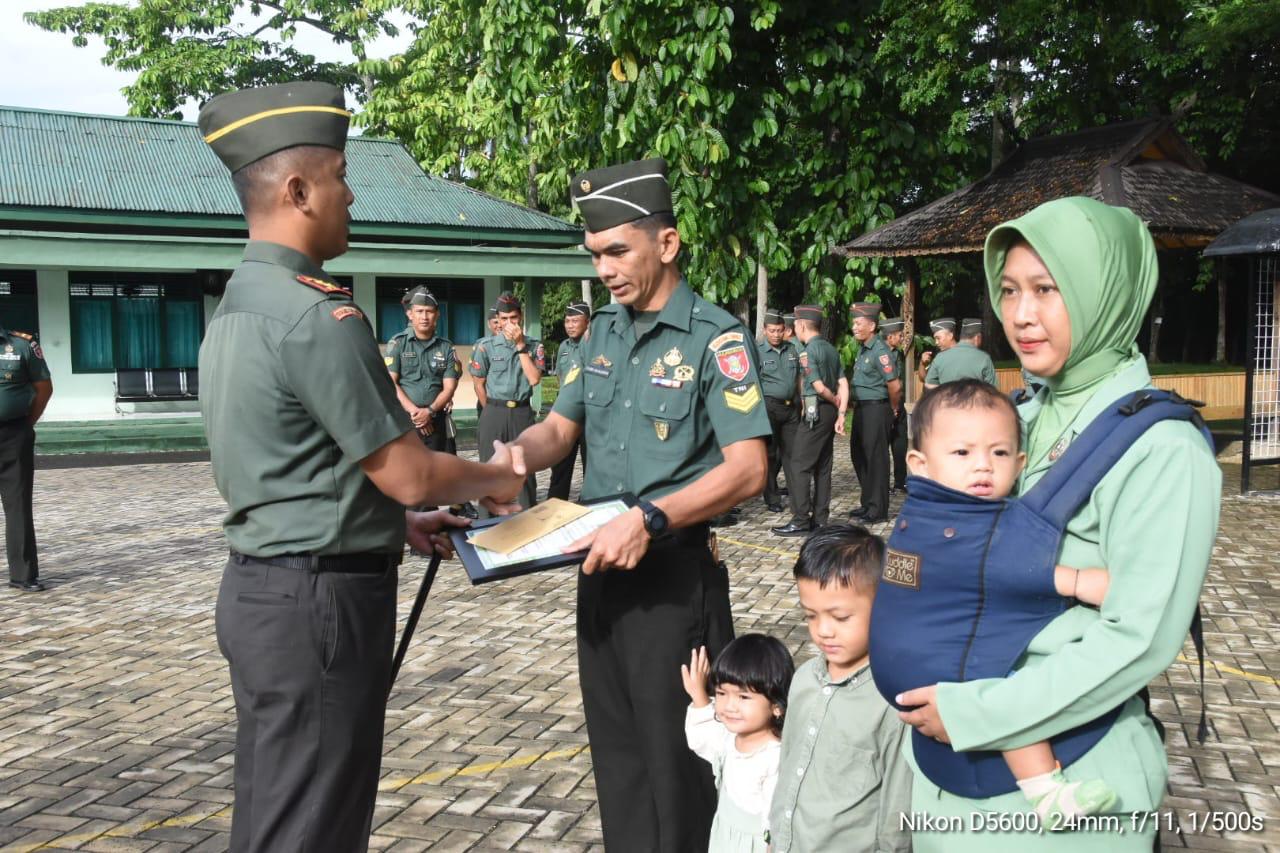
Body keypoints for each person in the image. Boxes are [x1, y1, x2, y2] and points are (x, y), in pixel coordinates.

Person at [197, 81, 528, 853]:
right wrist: (494, 476)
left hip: (263, 590)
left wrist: (398, 523)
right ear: (297, 189)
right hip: (318, 604)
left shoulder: (239, 305)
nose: (352, 194)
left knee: (275, 810)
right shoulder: (317, 313)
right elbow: (409, 470)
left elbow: (295, 464)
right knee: (313, 825)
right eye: (342, 176)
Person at [895, 197, 1221, 851]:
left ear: (1104, 294)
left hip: (1061, 792)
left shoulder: (1160, 447)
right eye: (1010, 289)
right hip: (945, 778)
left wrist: (973, 711)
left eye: (1047, 290)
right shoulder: (1014, 416)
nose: (1020, 315)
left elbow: (1139, 635)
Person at [507, 156, 771, 851]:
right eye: (595, 254)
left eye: (617, 249)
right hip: (600, 578)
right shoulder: (599, 332)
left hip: (673, 585)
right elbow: (560, 428)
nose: (604, 268)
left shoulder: (715, 337)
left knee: (680, 768)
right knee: (619, 765)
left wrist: (651, 517)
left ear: (668, 242)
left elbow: (748, 468)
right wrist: (513, 457)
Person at [903, 380, 1116, 820]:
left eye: (999, 454)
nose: (982, 467)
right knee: (1002, 690)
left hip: (928, 643)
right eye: (962, 454)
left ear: (1020, 463)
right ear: (919, 465)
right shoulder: (943, 515)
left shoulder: (944, 505)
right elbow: (988, 568)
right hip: (937, 654)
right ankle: (1045, 792)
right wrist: (1077, 581)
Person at [768, 524, 912, 852]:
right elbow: (788, 766)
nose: (823, 631)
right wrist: (774, 836)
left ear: (883, 608)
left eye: (841, 617)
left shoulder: (891, 699)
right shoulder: (804, 678)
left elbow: (897, 810)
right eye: (810, 616)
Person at [680, 635, 794, 853]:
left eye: (743, 697)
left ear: (777, 706)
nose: (729, 706)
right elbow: (702, 737)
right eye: (722, 693)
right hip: (724, 840)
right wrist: (699, 694)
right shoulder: (728, 738)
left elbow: (778, 820)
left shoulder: (773, 758)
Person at [470, 292, 544, 510]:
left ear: (520, 317)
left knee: (525, 473)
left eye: (513, 318)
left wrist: (520, 345)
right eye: (504, 319)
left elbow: (533, 379)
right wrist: (490, 411)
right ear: (498, 320)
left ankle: (527, 523)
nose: (508, 323)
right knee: (488, 471)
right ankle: (487, 526)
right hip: (494, 411)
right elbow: (478, 383)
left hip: (522, 413)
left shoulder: (533, 345)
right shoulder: (486, 346)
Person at [773, 305, 839, 537]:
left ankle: (800, 519)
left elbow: (819, 386)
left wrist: (833, 399)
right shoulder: (831, 349)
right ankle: (820, 520)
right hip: (827, 412)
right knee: (823, 466)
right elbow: (840, 380)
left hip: (816, 410)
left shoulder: (807, 352)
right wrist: (837, 405)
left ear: (801, 326)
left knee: (799, 465)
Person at [0, 324, 52, 592]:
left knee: (18, 504)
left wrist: (26, 423)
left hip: (13, 434)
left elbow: (43, 387)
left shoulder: (22, 346)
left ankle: (23, 575)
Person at [839, 303, 901, 524]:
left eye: (858, 323)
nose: (854, 327)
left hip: (877, 408)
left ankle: (878, 509)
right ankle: (868, 502)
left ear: (872, 326)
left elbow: (894, 385)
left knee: (876, 459)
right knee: (859, 455)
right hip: (862, 409)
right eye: (854, 323)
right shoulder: (863, 348)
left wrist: (892, 409)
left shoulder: (880, 351)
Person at [386, 286, 461, 453]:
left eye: (429, 311)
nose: (424, 317)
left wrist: (429, 412)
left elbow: (449, 387)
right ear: (410, 314)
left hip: (437, 418)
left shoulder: (446, 347)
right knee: (408, 472)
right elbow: (391, 383)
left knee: (440, 472)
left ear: (437, 314)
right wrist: (416, 414)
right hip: (406, 420)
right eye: (419, 311)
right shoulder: (398, 343)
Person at [756, 309, 800, 513]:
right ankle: (772, 498)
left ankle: (798, 496)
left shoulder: (792, 350)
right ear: (765, 330)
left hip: (791, 408)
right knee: (770, 455)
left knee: (793, 455)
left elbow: (799, 378)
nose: (776, 334)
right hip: (769, 407)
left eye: (780, 331)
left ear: (785, 331)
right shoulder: (757, 351)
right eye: (772, 330)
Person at [547, 300, 590, 501]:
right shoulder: (563, 347)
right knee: (560, 467)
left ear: (587, 322)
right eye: (567, 321)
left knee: (592, 466)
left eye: (575, 321)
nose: (570, 325)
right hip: (567, 415)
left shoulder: (595, 345)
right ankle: (556, 507)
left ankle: (592, 506)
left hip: (590, 417)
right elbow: (559, 378)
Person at [924, 317, 997, 389]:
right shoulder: (984, 358)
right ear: (977, 338)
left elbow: (929, 385)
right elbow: (992, 392)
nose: (936, 342)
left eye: (938, 338)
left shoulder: (939, 358)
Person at [880, 317, 910, 493]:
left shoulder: (898, 354)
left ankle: (901, 482)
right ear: (890, 336)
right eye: (899, 335)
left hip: (900, 404)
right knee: (882, 448)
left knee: (900, 445)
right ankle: (882, 484)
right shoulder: (880, 354)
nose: (901, 338)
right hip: (885, 405)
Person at [917, 317, 956, 386]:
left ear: (950, 335)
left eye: (938, 338)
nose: (936, 342)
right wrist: (922, 363)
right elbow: (924, 379)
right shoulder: (940, 356)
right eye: (935, 339)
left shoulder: (965, 354)